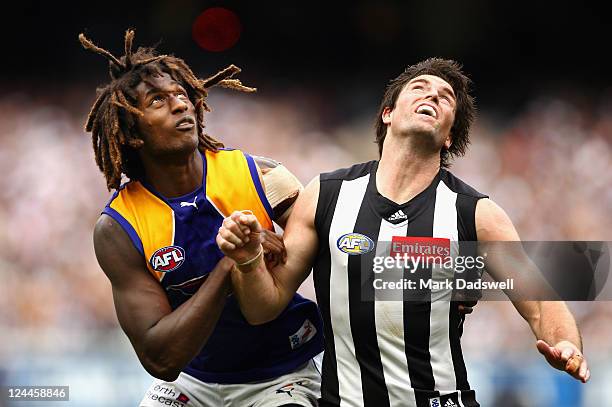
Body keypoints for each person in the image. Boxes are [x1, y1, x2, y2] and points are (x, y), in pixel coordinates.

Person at [217, 58, 590, 407]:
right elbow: (263, 307)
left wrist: (566, 344)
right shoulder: (326, 194)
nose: (432, 95)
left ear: (448, 137)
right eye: (420, 87)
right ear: (388, 114)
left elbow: (541, 303)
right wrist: (248, 260)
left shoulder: (475, 213)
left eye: (445, 98)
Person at [82, 29, 324, 407]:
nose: (180, 105)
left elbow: (324, 246)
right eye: (158, 101)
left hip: (282, 374)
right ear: (132, 131)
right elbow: (160, 358)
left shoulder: (262, 175)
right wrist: (232, 266)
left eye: (182, 95)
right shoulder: (117, 227)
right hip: (193, 383)